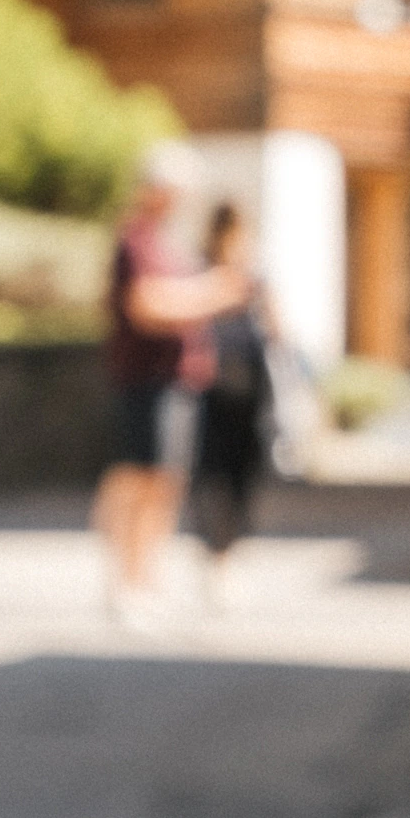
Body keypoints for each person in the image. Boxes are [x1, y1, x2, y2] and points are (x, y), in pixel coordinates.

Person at [93, 144, 252, 624]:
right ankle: (127, 581)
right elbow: (147, 306)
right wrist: (210, 295)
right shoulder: (136, 240)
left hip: (179, 379)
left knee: (166, 483)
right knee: (141, 479)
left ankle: (147, 578)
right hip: (147, 377)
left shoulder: (167, 241)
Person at [183, 199, 282, 582]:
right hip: (211, 381)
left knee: (246, 463)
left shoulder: (255, 278)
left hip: (250, 382)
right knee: (211, 467)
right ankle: (214, 544)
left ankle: (232, 540)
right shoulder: (204, 274)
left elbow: (277, 330)